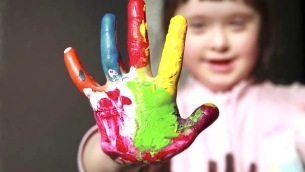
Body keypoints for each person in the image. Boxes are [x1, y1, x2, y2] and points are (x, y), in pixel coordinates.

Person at [74, 0, 305, 171]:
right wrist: (116, 152)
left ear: (263, 27)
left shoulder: (297, 104)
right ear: (171, 34)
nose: (219, 43)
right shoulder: (157, 111)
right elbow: (93, 164)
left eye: (237, 23)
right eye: (198, 25)